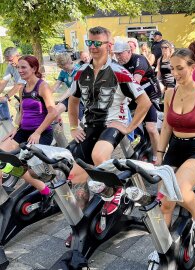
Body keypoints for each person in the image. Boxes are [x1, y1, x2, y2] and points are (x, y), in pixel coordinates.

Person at [66, 26, 151, 217]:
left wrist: (130, 126)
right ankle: (81, 223)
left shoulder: (119, 71)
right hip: (90, 125)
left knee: (98, 156)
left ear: (109, 45)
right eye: (90, 43)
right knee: (75, 177)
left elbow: (144, 102)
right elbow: (73, 101)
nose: (93, 47)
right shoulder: (81, 72)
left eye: (98, 43)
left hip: (113, 123)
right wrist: (73, 127)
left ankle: (116, 188)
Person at [150, 48, 195, 265]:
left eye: (180, 68)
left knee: (180, 190)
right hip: (175, 149)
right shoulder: (170, 93)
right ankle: (162, 250)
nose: (175, 73)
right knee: (164, 203)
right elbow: (167, 127)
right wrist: (159, 155)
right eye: (172, 68)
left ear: (192, 67)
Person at [0, 55, 58, 210]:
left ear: (34, 68)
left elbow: (52, 112)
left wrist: (38, 132)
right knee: (2, 159)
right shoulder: (23, 88)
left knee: (26, 168)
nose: (20, 70)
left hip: (41, 132)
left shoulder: (42, 86)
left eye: (23, 67)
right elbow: (21, 111)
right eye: (18, 67)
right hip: (24, 131)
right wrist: (14, 128)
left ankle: (49, 186)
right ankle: (44, 191)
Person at [113, 40, 161, 163]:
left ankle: (158, 157)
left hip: (150, 94)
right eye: (116, 54)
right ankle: (141, 141)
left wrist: (127, 99)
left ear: (129, 51)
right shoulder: (118, 65)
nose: (118, 57)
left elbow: (135, 82)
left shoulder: (139, 60)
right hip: (136, 95)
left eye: (120, 54)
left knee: (151, 128)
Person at [53, 53, 84, 120]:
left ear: (69, 62)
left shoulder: (79, 70)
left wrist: (60, 99)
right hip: (70, 97)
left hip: (81, 99)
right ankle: (58, 128)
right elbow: (57, 84)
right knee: (55, 112)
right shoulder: (63, 72)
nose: (62, 68)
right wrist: (47, 94)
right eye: (61, 66)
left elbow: (72, 89)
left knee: (78, 123)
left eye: (63, 66)